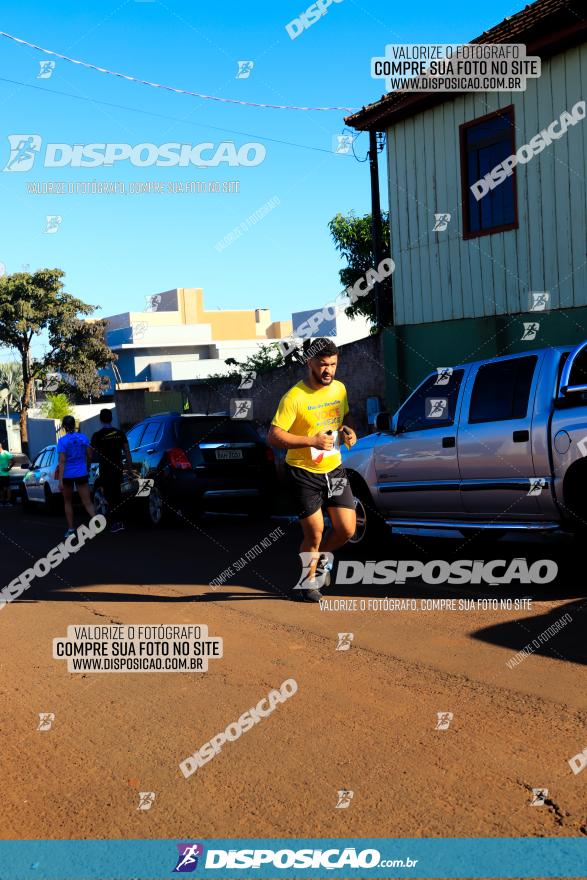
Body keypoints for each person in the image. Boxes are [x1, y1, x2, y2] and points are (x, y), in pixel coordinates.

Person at [268, 338, 357, 602]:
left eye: (333, 364)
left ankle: (318, 562)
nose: (328, 370)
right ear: (310, 363)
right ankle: (308, 582)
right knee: (315, 531)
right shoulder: (294, 397)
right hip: (303, 473)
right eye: (322, 365)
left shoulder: (339, 389)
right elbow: (273, 437)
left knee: (346, 530)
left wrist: (349, 430)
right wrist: (311, 441)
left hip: (335, 469)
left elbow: (345, 417)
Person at [90, 409, 131, 533]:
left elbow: (91, 453)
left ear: (101, 419)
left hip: (105, 469)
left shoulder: (97, 436)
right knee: (117, 493)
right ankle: (119, 521)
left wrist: (88, 466)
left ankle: (116, 522)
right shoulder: (119, 433)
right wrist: (129, 467)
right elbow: (127, 451)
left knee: (109, 495)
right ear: (111, 418)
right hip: (118, 468)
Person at [56, 416, 95, 537]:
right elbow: (89, 455)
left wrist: (60, 480)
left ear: (63, 427)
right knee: (87, 502)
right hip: (81, 472)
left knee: (68, 502)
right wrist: (86, 467)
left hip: (67, 474)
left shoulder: (62, 441)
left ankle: (71, 529)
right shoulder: (83, 438)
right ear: (74, 425)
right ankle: (98, 523)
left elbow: (62, 462)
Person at [0, 441, 14, 507]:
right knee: (1, 489)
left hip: (5, 474)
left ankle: (8, 501)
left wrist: (8, 468)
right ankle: (2, 502)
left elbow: (13, 461)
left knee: (7, 488)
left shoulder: (5, 453)